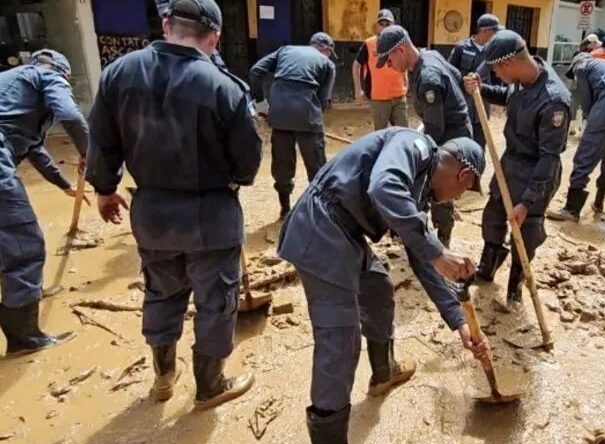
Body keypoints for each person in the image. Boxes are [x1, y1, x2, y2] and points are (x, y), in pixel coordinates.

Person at [85, 0, 262, 409]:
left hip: (152, 213)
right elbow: (249, 159)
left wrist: (106, 188)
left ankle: (164, 376)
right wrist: (236, 180)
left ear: (166, 25)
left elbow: (102, 141)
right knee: (216, 301)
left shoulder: (117, 73)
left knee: (161, 293)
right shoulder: (225, 87)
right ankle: (210, 384)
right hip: (212, 215)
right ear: (214, 36)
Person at [278, 128, 489, 444]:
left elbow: (421, 259)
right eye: (463, 192)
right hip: (321, 229)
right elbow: (383, 186)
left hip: (344, 235)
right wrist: (438, 251)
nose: (456, 199)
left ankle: (383, 372)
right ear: (463, 175)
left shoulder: (419, 187)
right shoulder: (413, 145)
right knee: (340, 339)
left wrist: (459, 322)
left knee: (377, 288)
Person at [464, 30, 571, 311]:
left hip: (537, 172)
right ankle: (488, 267)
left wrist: (527, 201)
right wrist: (481, 89)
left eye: (495, 70)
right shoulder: (521, 80)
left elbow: (549, 158)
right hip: (510, 165)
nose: (495, 75)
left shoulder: (553, 101)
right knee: (494, 216)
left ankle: (515, 286)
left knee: (526, 231)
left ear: (509, 63)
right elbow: (508, 96)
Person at [0, 49, 88, 357]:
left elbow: (34, 149)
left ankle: (18, 301)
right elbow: (71, 115)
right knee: (25, 245)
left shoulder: (13, 86)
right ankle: (24, 335)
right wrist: (91, 153)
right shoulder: (47, 77)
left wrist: (64, 185)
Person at [376, 25, 473, 248]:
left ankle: (441, 242)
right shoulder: (431, 54)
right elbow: (458, 77)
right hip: (450, 128)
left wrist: (412, 148)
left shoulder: (428, 77)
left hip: (451, 138)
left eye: (389, 59)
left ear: (400, 49)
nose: (389, 66)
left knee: (438, 184)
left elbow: (434, 131)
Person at [250, 32, 336, 218]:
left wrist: (261, 103)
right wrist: (313, 121)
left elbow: (256, 71)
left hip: (279, 112)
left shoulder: (285, 50)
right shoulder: (327, 63)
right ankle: (319, 212)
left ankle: (285, 209)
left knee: (282, 163)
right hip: (307, 113)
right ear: (326, 49)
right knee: (317, 166)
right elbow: (323, 101)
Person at [546, 53, 605, 222]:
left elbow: (584, 99)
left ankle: (571, 209)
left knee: (584, 157)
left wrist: (589, 118)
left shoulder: (581, 66)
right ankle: (599, 203)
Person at [448, 13, 503, 149]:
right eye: (494, 32)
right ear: (484, 31)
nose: (496, 36)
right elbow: (450, 74)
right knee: (462, 143)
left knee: (480, 143)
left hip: (482, 105)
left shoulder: (492, 50)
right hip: (463, 104)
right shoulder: (461, 48)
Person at [352, 9, 408, 130]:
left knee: (404, 133)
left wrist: (406, 83)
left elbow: (405, 63)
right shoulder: (369, 44)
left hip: (399, 97)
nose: (384, 27)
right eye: (381, 24)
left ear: (393, 25)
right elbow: (356, 65)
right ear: (377, 26)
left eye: (387, 24)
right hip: (379, 99)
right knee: (381, 134)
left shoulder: (400, 43)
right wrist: (358, 90)